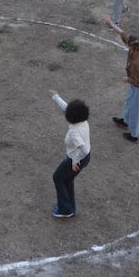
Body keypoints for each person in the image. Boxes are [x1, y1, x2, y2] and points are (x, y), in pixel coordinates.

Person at [102, 16, 139, 143]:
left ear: (131, 46)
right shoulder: (136, 47)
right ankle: (125, 122)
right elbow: (123, 33)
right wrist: (111, 23)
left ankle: (134, 135)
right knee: (129, 102)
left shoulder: (137, 62)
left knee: (135, 110)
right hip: (138, 82)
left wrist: (128, 80)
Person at [47, 90, 90, 218]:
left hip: (76, 159)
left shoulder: (74, 132)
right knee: (67, 179)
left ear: (71, 117)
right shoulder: (83, 121)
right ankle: (69, 207)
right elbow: (68, 109)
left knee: (58, 177)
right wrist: (56, 97)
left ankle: (65, 210)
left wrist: (75, 160)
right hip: (85, 158)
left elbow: (83, 148)